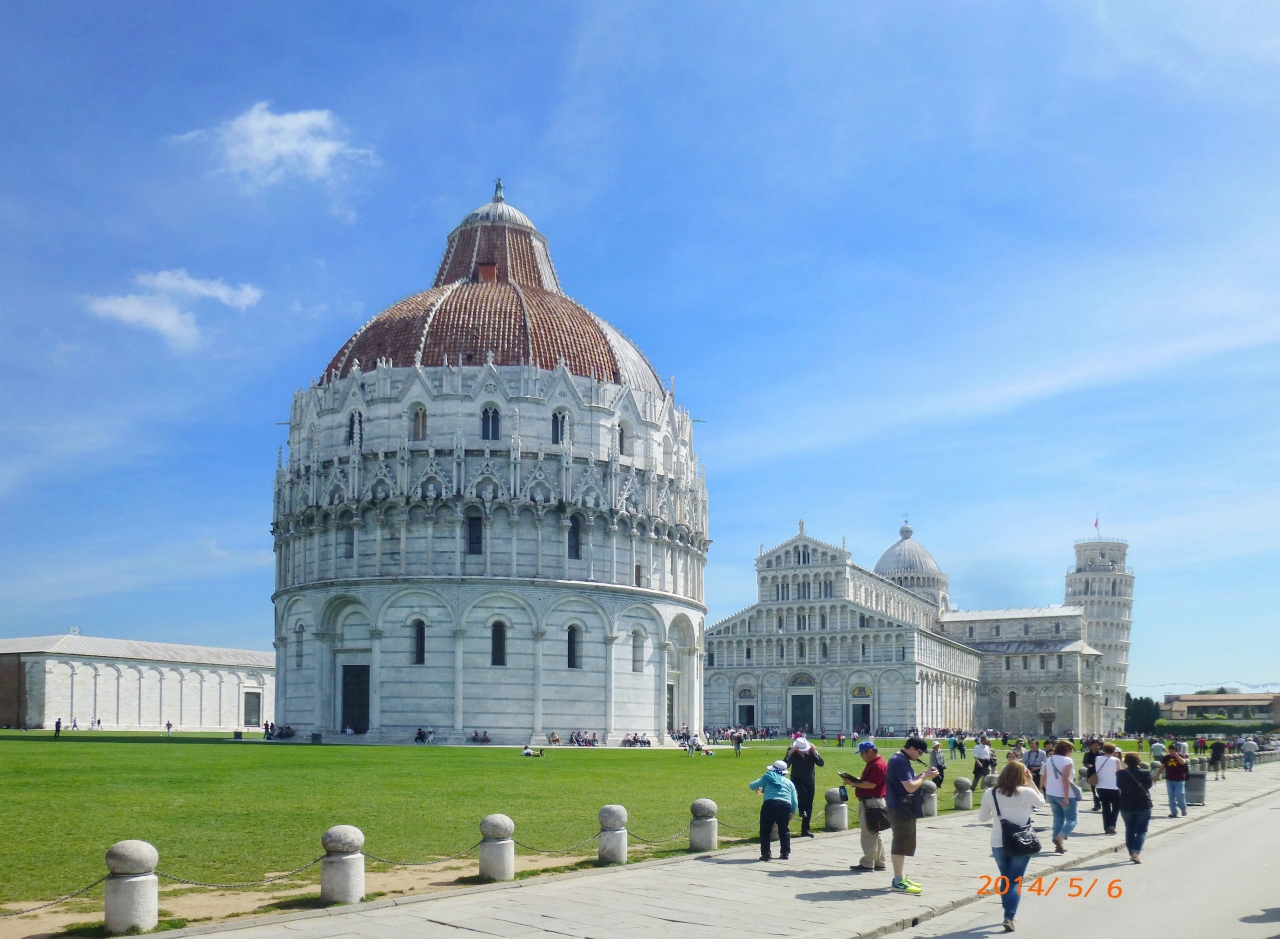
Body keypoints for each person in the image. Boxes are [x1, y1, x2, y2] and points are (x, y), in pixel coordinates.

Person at [978, 760, 1044, 932]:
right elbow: (1041, 803)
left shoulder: (991, 792)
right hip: (1022, 840)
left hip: (999, 841)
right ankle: (1009, 914)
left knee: (1005, 878)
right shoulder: (1027, 792)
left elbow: (983, 818)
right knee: (1015, 880)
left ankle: (1008, 911)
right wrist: (1031, 782)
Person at [884, 736, 939, 895]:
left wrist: (922, 774)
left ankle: (900, 876)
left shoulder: (899, 759)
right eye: (920, 752)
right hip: (900, 808)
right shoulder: (900, 761)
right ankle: (898, 880)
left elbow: (909, 782)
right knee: (900, 842)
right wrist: (924, 776)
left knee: (905, 841)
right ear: (912, 748)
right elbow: (909, 787)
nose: (920, 756)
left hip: (903, 807)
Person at [843, 740, 889, 872]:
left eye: (862, 753)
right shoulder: (874, 763)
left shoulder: (877, 765)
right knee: (875, 832)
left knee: (868, 833)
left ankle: (868, 863)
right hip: (874, 801)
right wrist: (856, 780)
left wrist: (853, 784)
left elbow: (871, 785)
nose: (861, 756)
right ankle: (880, 861)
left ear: (869, 752)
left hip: (871, 802)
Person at [749, 760, 798, 861]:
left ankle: (766, 853)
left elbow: (752, 785)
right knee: (784, 830)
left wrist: (759, 787)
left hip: (770, 804)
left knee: (765, 830)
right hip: (785, 805)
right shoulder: (789, 783)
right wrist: (793, 812)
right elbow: (794, 800)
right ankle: (785, 853)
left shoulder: (767, 777)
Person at [1116, 751, 1153, 863]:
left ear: (1126, 762)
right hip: (1143, 803)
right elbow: (1149, 785)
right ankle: (1136, 853)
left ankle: (1131, 851)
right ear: (1138, 761)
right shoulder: (1145, 772)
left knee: (1129, 829)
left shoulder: (1120, 773)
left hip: (1126, 804)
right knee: (1142, 830)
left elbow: (1119, 786)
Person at [785, 737, 825, 837]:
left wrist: (815, 753)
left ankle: (805, 830)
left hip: (810, 781)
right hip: (796, 780)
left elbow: (821, 763)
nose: (802, 752)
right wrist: (789, 754)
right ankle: (800, 810)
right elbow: (785, 765)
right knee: (802, 792)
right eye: (799, 750)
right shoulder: (792, 752)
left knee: (809, 805)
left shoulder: (811, 752)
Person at [1045, 739, 1078, 853]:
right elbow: (1065, 779)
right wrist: (1067, 796)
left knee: (1058, 819)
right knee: (1072, 819)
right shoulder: (1067, 760)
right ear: (1067, 750)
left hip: (1051, 792)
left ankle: (1058, 844)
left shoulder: (1050, 759)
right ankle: (1060, 837)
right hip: (1062, 793)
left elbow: (1045, 776)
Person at [1094, 744, 1121, 835]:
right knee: (1116, 806)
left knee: (1105, 807)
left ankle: (1106, 827)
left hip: (1100, 785)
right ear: (1113, 751)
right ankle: (1112, 825)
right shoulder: (1116, 760)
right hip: (1113, 786)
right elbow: (1119, 773)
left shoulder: (1097, 758)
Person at [1154, 744, 1188, 817]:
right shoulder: (1166, 758)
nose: (1172, 752)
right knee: (1171, 796)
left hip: (1180, 779)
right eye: (1170, 751)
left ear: (1177, 751)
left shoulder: (1181, 756)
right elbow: (1161, 767)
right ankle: (1174, 812)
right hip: (1169, 779)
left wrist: (1176, 755)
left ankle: (1183, 809)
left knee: (1180, 794)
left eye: (1173, 751)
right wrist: (1157, 775)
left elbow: (1182, 762)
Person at [1083, 740, 1103, 811]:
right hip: (1091, 773)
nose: (1095, 747)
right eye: (1094, 745)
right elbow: (1084, 762)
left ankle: (1102, 803)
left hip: (1100, 774)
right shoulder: (1087, 754)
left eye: (1097, 745)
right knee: (1094, 790)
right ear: (1091, 746)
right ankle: (1096, 805)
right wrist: (1088, 765)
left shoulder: (1101, 754)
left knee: (1101, 790)